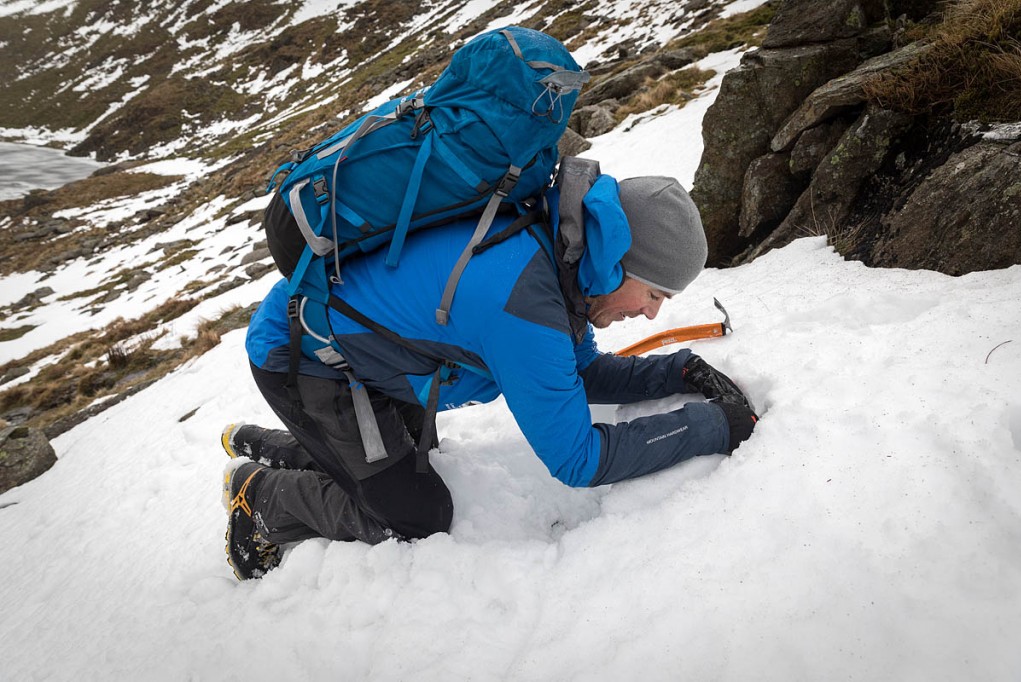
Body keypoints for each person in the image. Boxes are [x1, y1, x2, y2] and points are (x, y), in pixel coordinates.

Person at [222, 173, 757, 580]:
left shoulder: (558, 252)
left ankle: (270, 445)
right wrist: (714, 426)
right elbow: (579, 459)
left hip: (371, 353)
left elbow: (581, 370)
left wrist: (677, 370)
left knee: (412, 460)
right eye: (655, 294)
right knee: (415, 514)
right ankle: (262, 495)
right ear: (619, 262)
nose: (652, 314)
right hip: (308, 361)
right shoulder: (525, 301)